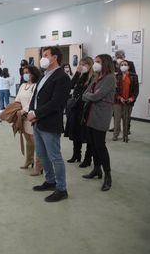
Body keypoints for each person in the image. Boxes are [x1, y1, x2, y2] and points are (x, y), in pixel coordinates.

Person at [27, 46, 71, 202]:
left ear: (55, 57)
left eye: (46, 55)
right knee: (41, 154)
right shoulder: (44, 75)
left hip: (50, 123)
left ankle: (61, 189)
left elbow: (56, 103)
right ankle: (50, 180)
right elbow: (36, 96)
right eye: (42, 55)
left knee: (54, 156)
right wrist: (31, 111)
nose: (42, 58)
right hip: (38, 122)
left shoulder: (62, 77)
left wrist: (36, 114)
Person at [82, 54, 116, 191]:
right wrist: (91, 96)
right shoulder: (96, 77)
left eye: (98, 62)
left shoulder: (110, 78)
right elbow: (85, 93)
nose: (95, 64)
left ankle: (108, 175)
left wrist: (91, 96)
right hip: (91, 115)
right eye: (95, 61)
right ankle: (97, 169)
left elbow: (96, 96)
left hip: (101, 116)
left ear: (105, 63)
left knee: (100, 145)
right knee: (93, 144)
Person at [64, 57, 95, 167]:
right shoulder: (81, 75)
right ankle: (76, 155)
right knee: (75, 132)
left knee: (87, 134)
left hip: (86, 109)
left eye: (85, 64)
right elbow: (70, 85)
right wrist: (77, 72)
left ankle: (87, 159)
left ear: (90, 65)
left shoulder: (93, 77)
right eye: (81, 64)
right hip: (76, 108)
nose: (83, 66)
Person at [14, 66, 43, 176]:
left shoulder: (37, 86)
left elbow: (33, 102)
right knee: (28, 141)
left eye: (27, 72)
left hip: (31, 116)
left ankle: (39, 166)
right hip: (22, 117)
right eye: (24, 73)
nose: (25, 74)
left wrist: (24, 110)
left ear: (34, 73)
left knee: (36, 142)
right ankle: (29, 160)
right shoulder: (22, 85)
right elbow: (17, 100)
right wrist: (16, 109)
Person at [113, 60, 139, 142]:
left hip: (128, 101)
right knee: (117, 119)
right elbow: (114, 89)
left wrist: (132, 98)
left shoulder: (134, 76)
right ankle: (116, 135)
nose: (123, 66)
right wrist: (119, 97)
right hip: (118, 101)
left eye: (125, 64)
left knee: (126, 119)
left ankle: (125, 135)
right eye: (122, 64)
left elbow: (136, 90)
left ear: (128, 66)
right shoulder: (116, 76)